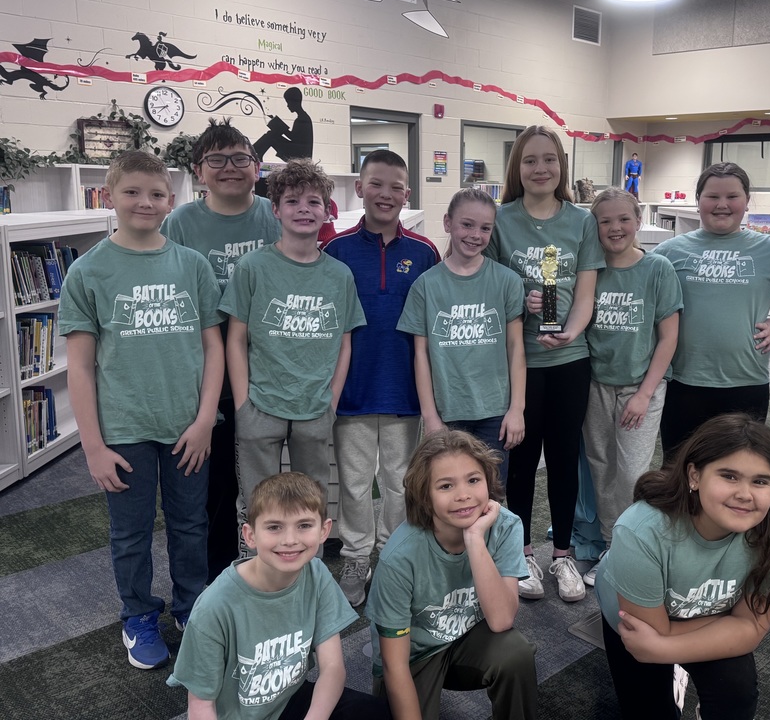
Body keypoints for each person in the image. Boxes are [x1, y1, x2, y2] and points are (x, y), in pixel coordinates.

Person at [60, 150, 224, 669]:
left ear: (171, 200)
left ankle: (192, 605)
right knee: (129, 532)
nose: (144, 202)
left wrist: (204, 420)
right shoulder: (88, 272)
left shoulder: (191, 264)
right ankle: (137, 614)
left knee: (190, 524)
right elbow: (81, 368)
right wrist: (92, 447)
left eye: (156, 194)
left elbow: (213, 348)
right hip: (122, 431)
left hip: (186, 427)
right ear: (109, 196)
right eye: (131, 192)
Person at [596, 414, 770, 719]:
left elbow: (751, 631)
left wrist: (663, 650)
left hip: (673, 627)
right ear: (694, 476)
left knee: (738, 694)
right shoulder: (641, 530)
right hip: (632, 622)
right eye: (729, 476)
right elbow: (648, 634)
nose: (745, 494)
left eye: (760, 481)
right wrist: (733, 624)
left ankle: (677, 665)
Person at [484, 125, 605, 603]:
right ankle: (523, 554)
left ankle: (562, 555)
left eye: (549, 160)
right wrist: (521, 302)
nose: (540, 168)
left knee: (561, 458)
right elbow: (487, 285)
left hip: (569, 359)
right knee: (519, 458)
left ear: (562, 167)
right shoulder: (500, 219)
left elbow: (587, 291)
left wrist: (570, 331)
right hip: (518, 362)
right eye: (530, 160)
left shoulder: (581, 222)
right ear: (518, 167)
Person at [220, 158, 365, 555]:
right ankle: (258, 574)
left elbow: (345, 341)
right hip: (261, 406)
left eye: (314, 201)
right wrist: (244, 403)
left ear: (326, 211)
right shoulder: (253, 267)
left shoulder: (339, 275)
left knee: (310, 503)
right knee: (258, 503)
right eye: (293, 201)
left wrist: (331, 401)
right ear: (276, 210)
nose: (304, 209)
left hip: (315, 407)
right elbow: (236, 338)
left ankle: (309, 575)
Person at [162, 117, 281, 584]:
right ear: (198, 170)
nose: (229, 167)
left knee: (263, 474)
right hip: (206, 372)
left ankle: (271, 562)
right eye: (216, 159)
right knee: (212, 485)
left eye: (239, 158)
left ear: (257, 167)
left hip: (267, 367)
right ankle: (216, 574)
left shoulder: (276, 214)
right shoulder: (181, 222)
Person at [169, 471, 392, 720]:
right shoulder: (214, 607)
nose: (289, 540)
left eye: (304, 525)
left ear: (323, 530)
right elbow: (201, 704)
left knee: (377, 713)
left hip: (289, 699)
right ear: (250, 535)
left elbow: (332, 668)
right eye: (274, 527)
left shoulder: (316, 574)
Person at [323, 150, 440, 607]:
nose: (385, 194)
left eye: (395, 187)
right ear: (359, 188)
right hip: (351, 388)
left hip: (404, 390)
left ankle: (391, 555)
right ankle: (355, 556)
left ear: (407, 195)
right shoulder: (335, 250)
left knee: (399, 480)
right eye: (376, 184)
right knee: (353, 481)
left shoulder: (424, 251)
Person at [365, 430, 537, 720]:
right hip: (413, 655)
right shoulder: (400, 556)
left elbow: (501, 620)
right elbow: (395, 665)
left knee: (515, 655)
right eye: (446, 486)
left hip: (467, 639)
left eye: (473, 480)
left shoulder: (506, 526)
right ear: (424, 495)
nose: (463, 495)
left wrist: (474, 539)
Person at [653, 162, 770, 459]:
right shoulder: (670, 252)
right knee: (679, 471)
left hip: (746, 381)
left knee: (736, 470)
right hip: (683, 382)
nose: (722, 205)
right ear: (698, 200)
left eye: (732, 196)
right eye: (712, 196)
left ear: (746, 201)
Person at [581, 187, 681, 586]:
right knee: (601, 469)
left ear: (638, 221)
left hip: (641, 387)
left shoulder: (657, 269)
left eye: (623, 219)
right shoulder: (589, 269)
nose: (615, 227)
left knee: (634, 473)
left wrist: (643, 394)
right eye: (605, 221)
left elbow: (669, 338)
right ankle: (611, 545)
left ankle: (635, 548)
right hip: (595, 385)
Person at [397, 187, 526, 485]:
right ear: (447, 223)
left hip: (495, 412)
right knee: (449, 495)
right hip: (448, 413)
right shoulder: (425, 286)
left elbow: (516, 347)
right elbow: (421, 355)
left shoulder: (506, 281)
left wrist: (517, 408)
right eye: (467, 225)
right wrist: (430, 418)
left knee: (492, 495)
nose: (475, 235)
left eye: (485, 228)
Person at [253, 87, 314, 162]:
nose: (288, 106)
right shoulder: (303, 118)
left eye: (288, 102)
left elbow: (295, 139)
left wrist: (279, 126)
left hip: (299, 156)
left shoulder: (302, 119)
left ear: (294, 101)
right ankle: (256, 153)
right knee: (271, 134)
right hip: (298, 153)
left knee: (271, 135)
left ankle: (255, 152)